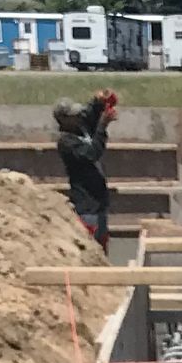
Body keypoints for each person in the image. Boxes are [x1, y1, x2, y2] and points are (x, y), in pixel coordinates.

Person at [55, 88, 116, 252]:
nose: (78, 117)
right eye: (73, 116)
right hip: (87, 207)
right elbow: (92, 153)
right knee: (92, 249)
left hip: (99, 205)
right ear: (63, 120)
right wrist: (102, 126)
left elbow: (89, 113)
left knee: (102, 247)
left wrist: (99, 100)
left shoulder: (80, 128)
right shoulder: (66, 143)